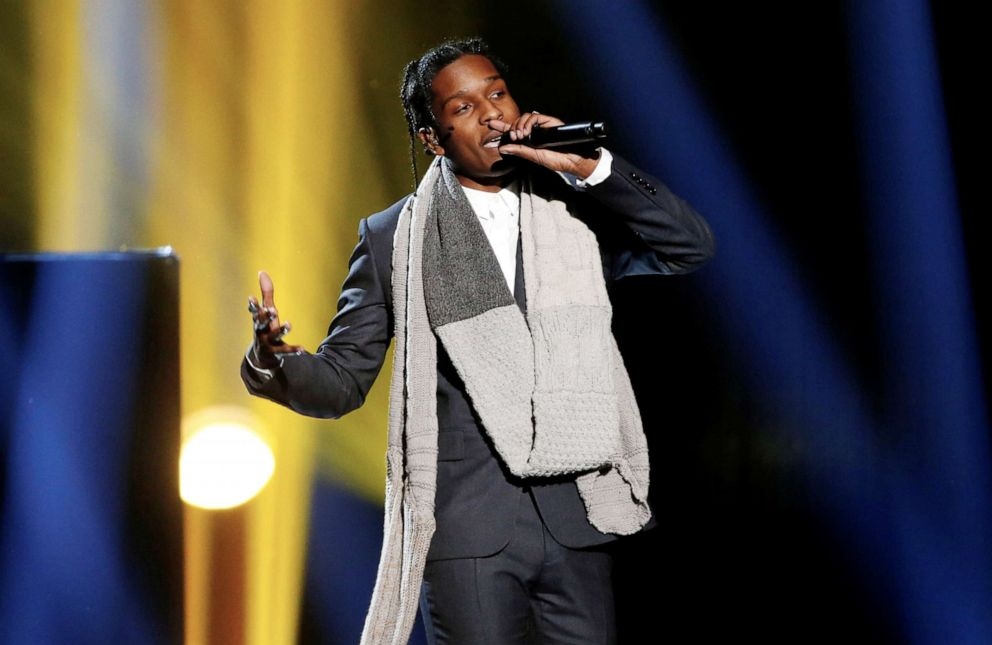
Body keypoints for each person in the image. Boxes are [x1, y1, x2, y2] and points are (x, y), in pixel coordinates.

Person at [242, 38, 714, 645]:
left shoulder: (573, 213)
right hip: (469, 530)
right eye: (463, 108)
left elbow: (688, 248)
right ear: (433, 140)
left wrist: (590, 168)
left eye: (497, 94)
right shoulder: (394, 238)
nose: (491, 113)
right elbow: (339, 384)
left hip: (577, 515)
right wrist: (273, 357)